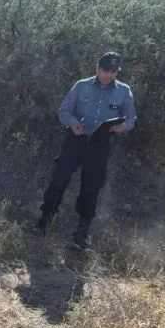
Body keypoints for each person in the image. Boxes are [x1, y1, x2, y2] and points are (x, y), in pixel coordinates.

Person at [35, 52, 137, 249]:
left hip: (100, 144)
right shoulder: (81, 86)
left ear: (117, 72)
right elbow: (64, 110)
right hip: (76, 140)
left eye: (112, 71)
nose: (107, 75)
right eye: (104, 70)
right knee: (59, 180)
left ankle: (81, 233)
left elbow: (131, 118)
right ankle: (44, 222)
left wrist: (123, 127)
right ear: (97, 68)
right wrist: (73, 124)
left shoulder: (124, 91)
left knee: (91, 187)